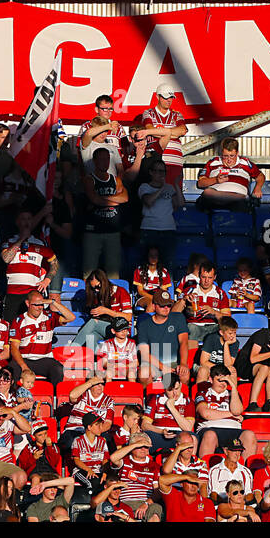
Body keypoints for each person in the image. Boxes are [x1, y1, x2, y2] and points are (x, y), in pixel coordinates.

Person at [9, 290, 74, 386]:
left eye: (42, 305)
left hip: (44, 359)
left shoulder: (49, 317)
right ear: (28, 303)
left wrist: (53, 302)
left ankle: (55, 398)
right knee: (11, 369)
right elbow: (14, 348)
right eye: (36, 305)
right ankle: (12, 397)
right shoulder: (19, 321)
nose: (39, 308)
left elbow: (71, 317)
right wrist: (24, 366)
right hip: (25, 359)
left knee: (58, 369)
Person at [81, 146, 128, 279]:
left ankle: (113, 298)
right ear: (95, 161)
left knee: (113, 271)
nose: (105, 162)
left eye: (107, 159)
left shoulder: (115, 179)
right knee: (89, 271)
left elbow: (125, 198)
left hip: (112, 231)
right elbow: (94, 199)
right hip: (93, 231)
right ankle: (89, 297)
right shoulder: (89, 179)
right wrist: (114, 200)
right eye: (101, 159)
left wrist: (103, 199)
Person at [195, 365, 256, 459]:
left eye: (226, 381)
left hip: (233, 429)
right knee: (210, 435)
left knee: (249, 435)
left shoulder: (233, 394)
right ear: (211, 379)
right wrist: (231, 414)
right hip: (210, 428)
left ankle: (246, 471)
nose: (223, 384)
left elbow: (238, 410)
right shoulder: (203, 393)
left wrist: (233, 387)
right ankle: (204, 469)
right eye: (219, 380)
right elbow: (206, 414)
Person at [136, 85, 188, 189]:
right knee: (154, 194)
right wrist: (171, 133)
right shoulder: (149, 113)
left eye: (171, 97)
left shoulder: (177, 115)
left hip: (175, 162)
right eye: (165, 97)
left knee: (174, 194)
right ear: (157, 97)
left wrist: (161, 132)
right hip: (156, 162)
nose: (169, 100)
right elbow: (149, 128)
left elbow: (182, 130)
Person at [136, 291, 191, 383]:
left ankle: (183, 397)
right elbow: (144, 353)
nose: (166, 308)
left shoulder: (178, 318)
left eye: (169, 305)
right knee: (144, 374)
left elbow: (184, 342)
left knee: (184, 374)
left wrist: (183, 363)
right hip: (153, 364)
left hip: (174, 363)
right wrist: (163, 367)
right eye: (162, 305)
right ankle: (147, 396)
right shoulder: (144, 324)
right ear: (153, 306)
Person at [196, 137, 264, 211]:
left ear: (237, 153)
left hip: (239, 203)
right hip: (215, 199)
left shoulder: (245, 163)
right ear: (222, 153)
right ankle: (240, 198)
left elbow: (260, 176)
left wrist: (258, 188)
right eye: (225, 156)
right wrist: (215, 180)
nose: (229, 160)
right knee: (207, 193)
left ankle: (240, 198)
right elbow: (200, 183)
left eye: (232, 156)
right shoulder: (213, 162)